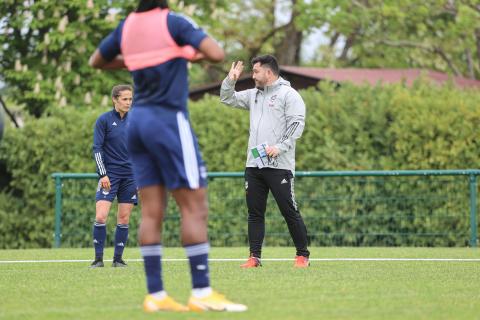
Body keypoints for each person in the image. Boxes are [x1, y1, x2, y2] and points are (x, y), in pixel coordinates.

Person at [89, 0, 246, 313]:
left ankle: (156, 295)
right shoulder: (173, 21)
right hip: (168, 121)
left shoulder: (128, 24)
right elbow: (215, 53)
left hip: (139, 125)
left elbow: (97, 60)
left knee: (151, 211)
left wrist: (137, 60)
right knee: (195, 205)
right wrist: (182, 51)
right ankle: (201, 291)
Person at [220, 55, 310, 268]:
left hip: (279, 165)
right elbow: (227, 99)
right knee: (254, 213)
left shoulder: (289, 95)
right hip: (254, 165)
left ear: (268, 73)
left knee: (289, 211)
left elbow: (296, 125)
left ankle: (302, 255)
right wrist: (230, 80)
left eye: (256, 71)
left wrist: (278, 148)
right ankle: (254, 257)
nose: (252, 75)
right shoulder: (254, 95)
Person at [91, 84, 137, 268]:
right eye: (125, 99)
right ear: (115, 100)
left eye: (130, 99)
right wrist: (103, 174)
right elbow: (97, 148)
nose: (128, 102)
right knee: (101, 216)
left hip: (131, 177)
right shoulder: (103, 120)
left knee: (124, 219)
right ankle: (98, 260)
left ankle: (118, 260)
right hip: (110, 176)